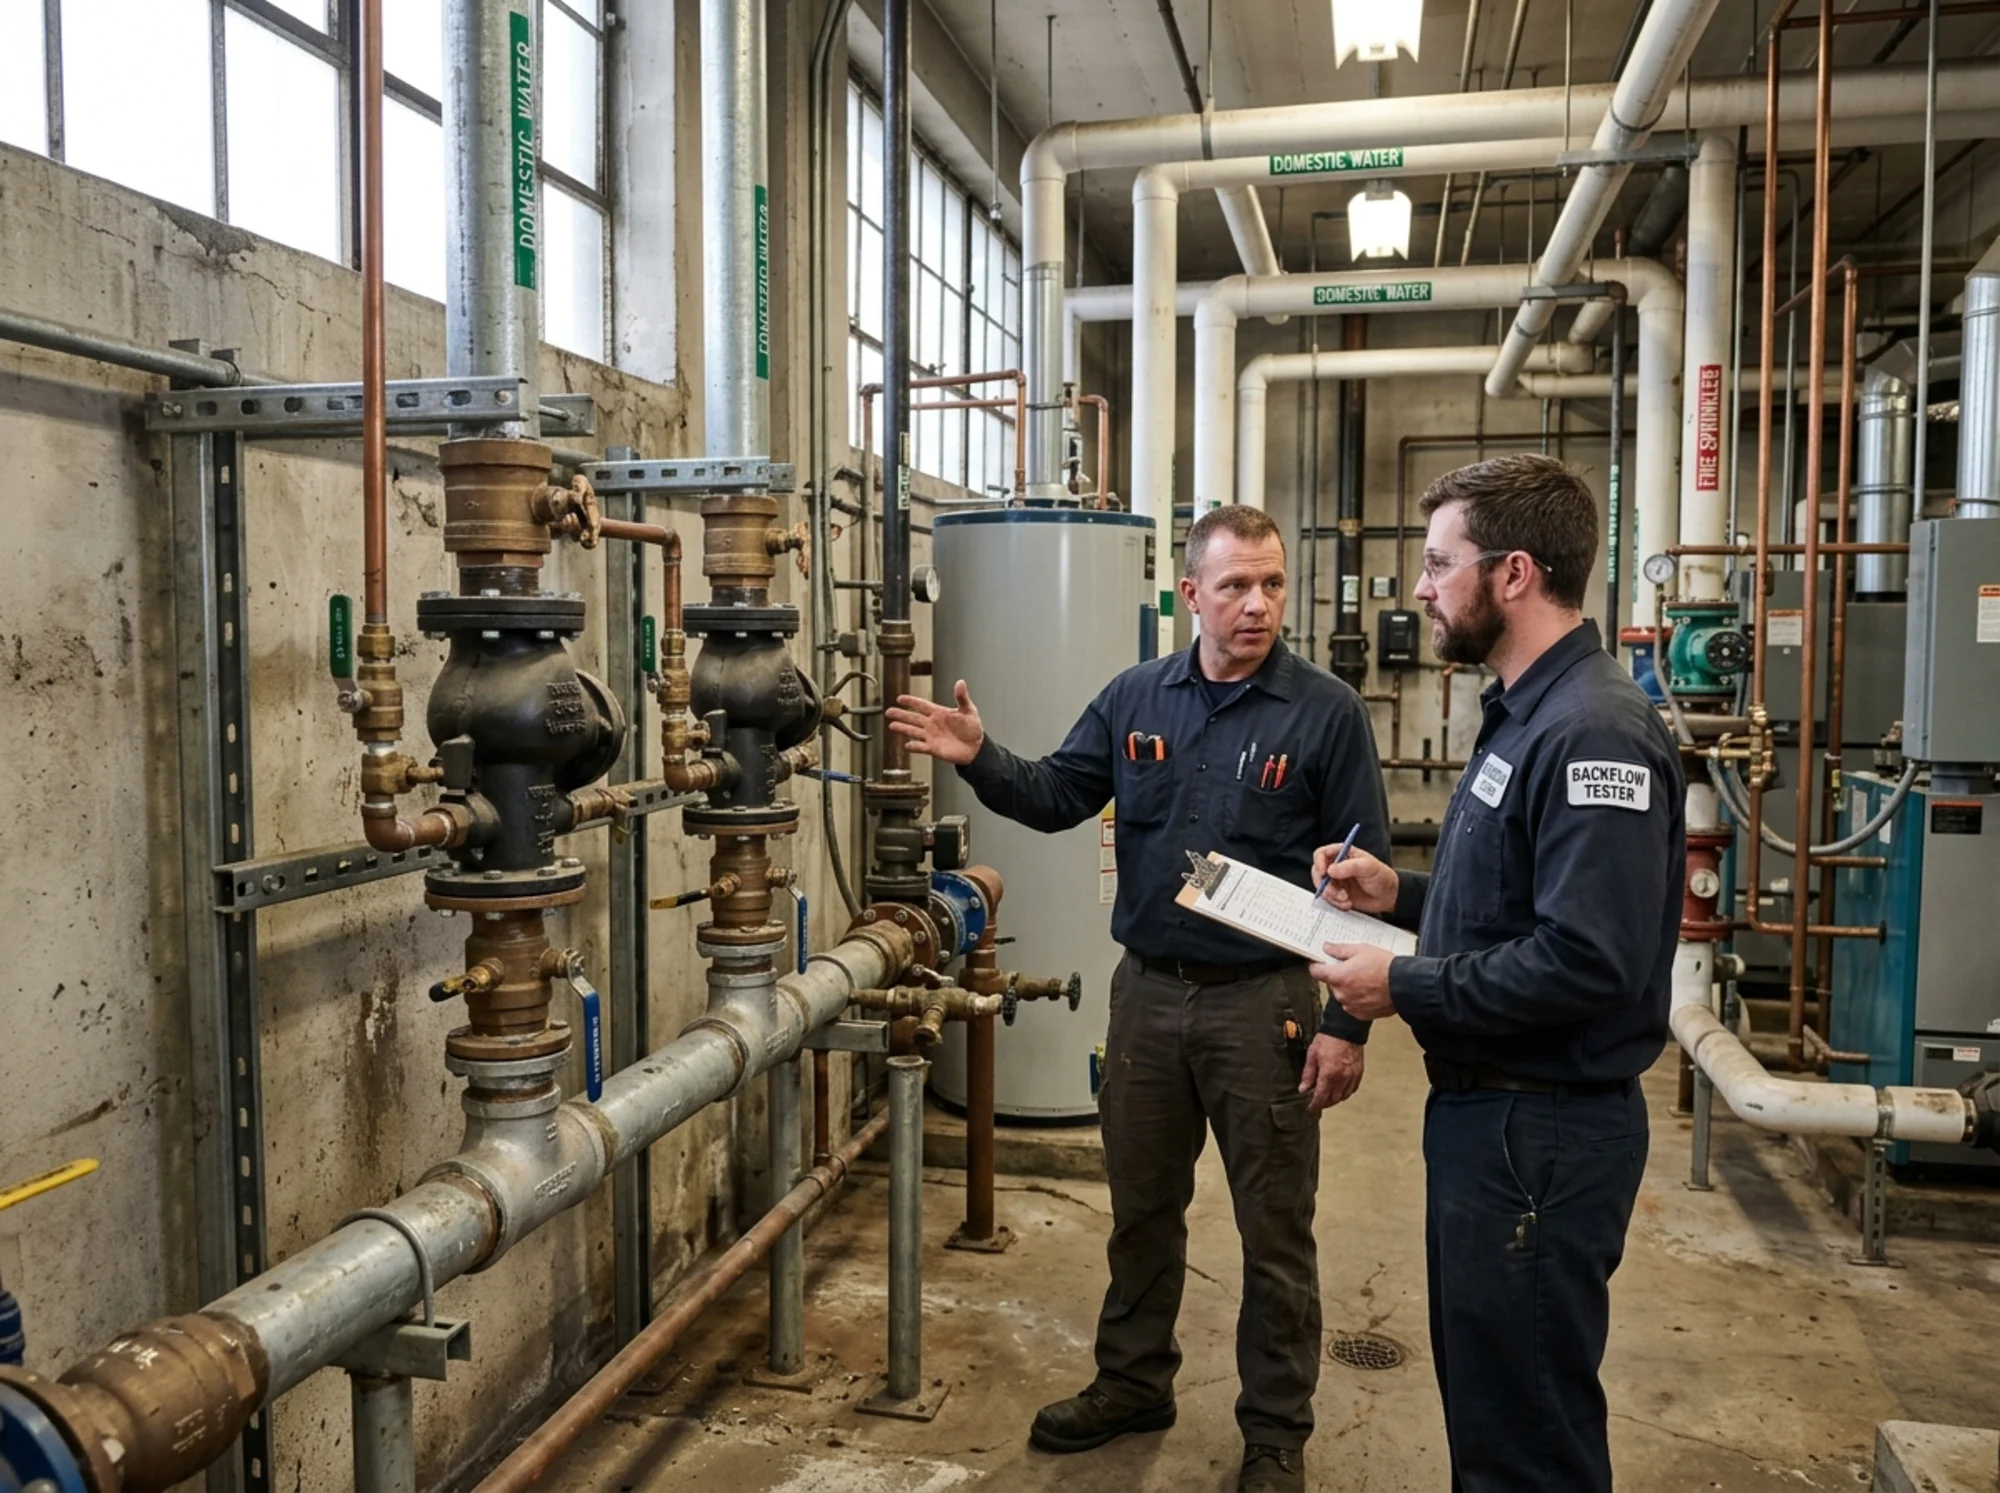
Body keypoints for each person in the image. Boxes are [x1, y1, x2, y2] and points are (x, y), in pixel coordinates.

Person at [886, 505, 1389, 1493]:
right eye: (1234, 584)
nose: (1256, 603)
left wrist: (1342, 1025)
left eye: (1271, 583)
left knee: (1273, 1228)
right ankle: (1131, 1382)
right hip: (1149, 999)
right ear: (1188, 594)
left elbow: (1362, 882)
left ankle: (1274, 1430)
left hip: (1265, 1007)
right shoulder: (1133, 697)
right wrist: (978, 754)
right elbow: (1054, 794)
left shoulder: (1323, 711)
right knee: (1140, 1209)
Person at [1307, 454, 1685, 1493]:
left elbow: (1585, 960)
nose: (1419, 587)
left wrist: (1402, 987)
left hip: (1541, 1131)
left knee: (1525, 1436)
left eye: (1437, 562)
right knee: (1494, 1402)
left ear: (1511, 572)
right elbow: (1520, 901)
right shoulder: (1524, 710)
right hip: (1498, 1121)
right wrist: (1403, 896)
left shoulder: (1590, 730)